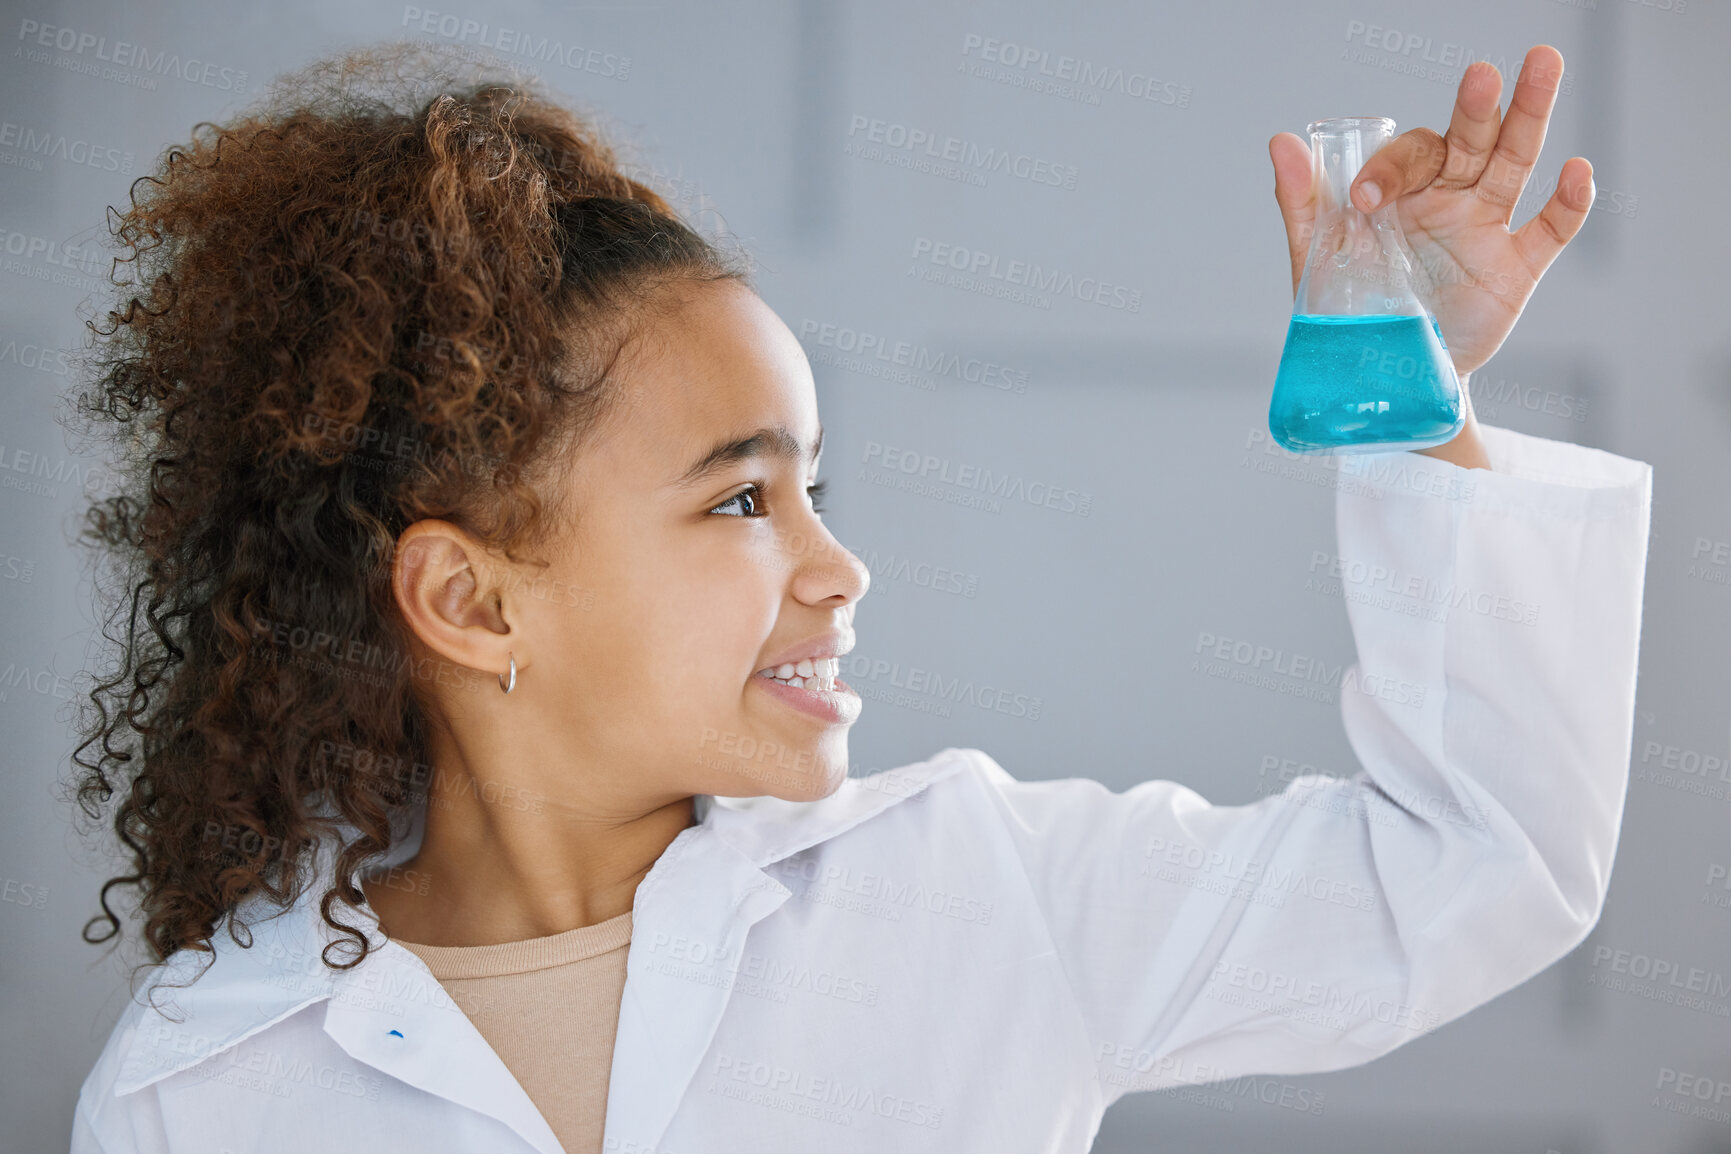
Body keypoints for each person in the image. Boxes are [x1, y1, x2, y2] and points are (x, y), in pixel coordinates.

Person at [68, 39, 1650, 1154]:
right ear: (475, 603)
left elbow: (1471, 866)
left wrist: (1408, 395)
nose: (840, 564)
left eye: (821, 485)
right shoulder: (200, 1086)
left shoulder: (983, 892)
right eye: (742, 498)